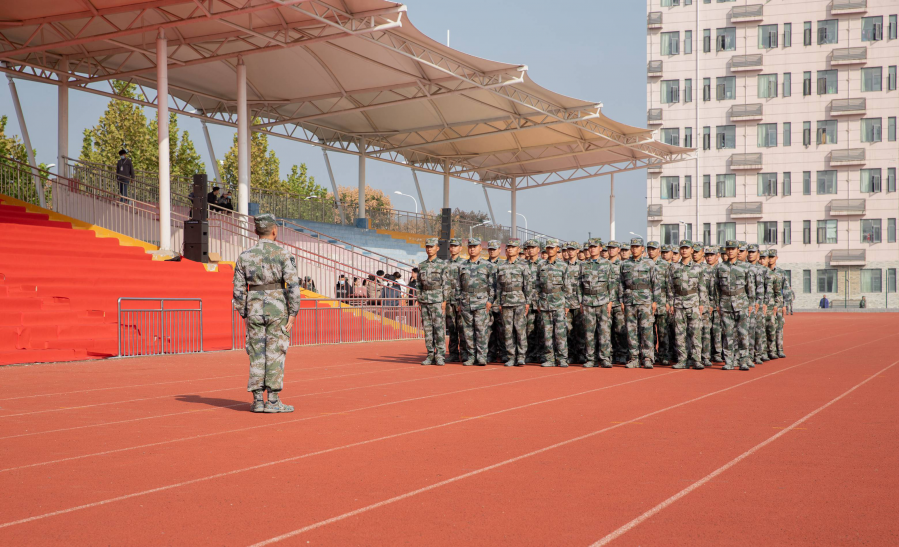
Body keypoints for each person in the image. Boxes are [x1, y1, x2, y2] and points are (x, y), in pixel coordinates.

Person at [232, 213, 301, 413]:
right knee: (275, 352)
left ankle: (257, 400)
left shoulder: (244, 256)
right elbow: (293, 285)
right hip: (277, 309)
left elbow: (237, 290)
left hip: (254, 309)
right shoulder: (283, 254)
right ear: (274, 230)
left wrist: (244, 311)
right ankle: (272, 400)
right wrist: (293, 312)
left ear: (256, 231)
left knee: (256, 353)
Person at [619, 237, 661, 369]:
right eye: (633, 246)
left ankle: (648, 357)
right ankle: (634, 358)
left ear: (642, 248)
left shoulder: (649, 264)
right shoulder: (625, 264)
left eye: (637, 246)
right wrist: (621, 301)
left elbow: (656, 283)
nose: (634, 249)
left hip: (645, 300)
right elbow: (621, 284)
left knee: (646, 330)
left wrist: (655, 301)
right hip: (629, 300)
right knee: (631, 330)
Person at [714, 240, 755, 370]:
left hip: (741, 302)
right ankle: (729, 361)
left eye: (733, 249)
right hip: (725, 302)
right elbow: (716, 287)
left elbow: (750, 287)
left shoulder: (745, 267)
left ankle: (743, 360)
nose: (730, 251)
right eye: (728, 249)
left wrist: (751, 303)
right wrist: (717, 304)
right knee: (727, 334)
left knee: (742, 333)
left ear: (738, 250)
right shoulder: (720, 267)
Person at [455, 238, 496, 366]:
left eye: (475, 246)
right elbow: (457, 286)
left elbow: (493, 286)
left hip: (481, 302)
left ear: (480, 248)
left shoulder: (488, 266)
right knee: (468, 331)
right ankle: (471, 356)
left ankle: (482, 356)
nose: (472, 248)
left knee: (481, 330)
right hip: (466, 302)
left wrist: (490, 301)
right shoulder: (462, 266)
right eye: (470, 246)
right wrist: (458, 302)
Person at [667, 240, 707, 369]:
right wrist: (671, 303)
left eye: (687, 248)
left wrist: (702, 303)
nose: (684, 250)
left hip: (694, 303)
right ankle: (682, 360)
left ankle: (696, 359)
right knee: (679, 333)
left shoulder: (698, 267)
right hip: (678, 302)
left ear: (691, 250)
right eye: (682, 248)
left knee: (695, 332)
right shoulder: (673, 267)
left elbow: (702, 287)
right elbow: (670, 287)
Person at [579, 238, 617, 368]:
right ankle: (591, 359)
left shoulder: (607, 264)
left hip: (603, 301)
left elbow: (612, 284)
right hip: (588, 301)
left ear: (600, 248)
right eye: (590, 247)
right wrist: (581, 302)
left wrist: (611, 301)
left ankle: (605, 358)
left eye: (595, 247)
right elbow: (579, 286)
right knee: (589, 332)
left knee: (604, 331)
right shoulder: (583, 265)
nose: (592, 249)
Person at [495, 238, 531, 366]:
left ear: (518, 250)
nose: (510, 249)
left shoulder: (523, 266)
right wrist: (499, 302)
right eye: (508, 247)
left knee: (520, 330)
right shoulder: (501, 267)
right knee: (508, 330)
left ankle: (521, 356)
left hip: (519, 301)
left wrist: (527, 302)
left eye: (513, 247)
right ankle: (511, 356)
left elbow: (528, 285)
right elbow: (498, 286)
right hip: (505, 302)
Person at [535, 239, 570, 367]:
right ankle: (549, 358)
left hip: (559, 302)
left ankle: (562, 358)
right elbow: (537, 285)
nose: (549, 250)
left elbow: (567, 287)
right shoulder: (541, 265)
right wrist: (538, 302)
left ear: (557, 249)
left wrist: (567, 304)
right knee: (547, 332)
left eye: (552, 248)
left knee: (560, 332)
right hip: (544, 302)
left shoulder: (563, 266)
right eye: (548, 248)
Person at [418, 238, 449, 366]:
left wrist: (444, 301)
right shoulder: (421, 265)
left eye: (432, 246)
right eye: (427, 247)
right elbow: (419, 284)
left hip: (437, 300)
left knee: (438, 329)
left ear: (437, 248)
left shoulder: (442, 264)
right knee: (428, 329)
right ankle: (430, 354)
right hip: (425, 299)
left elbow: (446, 284)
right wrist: (419, 299)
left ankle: (440, 355)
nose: (429, 249)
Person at [647, 241, 670, 366]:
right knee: (649, 331)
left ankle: (664, 355)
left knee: (663, 331)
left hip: (661, 301)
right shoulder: (644, 263)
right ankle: (652, 355)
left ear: (658, 250)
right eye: (649, 249)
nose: (651, 251)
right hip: (647, 302)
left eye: (653, 249)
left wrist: (668, 302)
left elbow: (669, 285)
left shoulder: (665, 265)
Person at [444, 238, 467, 362]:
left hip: (460, 301)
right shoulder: (444, 264)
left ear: (460, 248)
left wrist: (462, 300)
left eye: (455, 246)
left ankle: (464, 353)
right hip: (448, 300)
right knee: (451, 328)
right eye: (451, 246)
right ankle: (453, 353)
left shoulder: (464, 264)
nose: (453, 248)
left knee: (462, 328)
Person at [524, 240, 545, 363]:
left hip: (541, 303)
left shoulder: (543, 264)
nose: (530, 250)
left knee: (542, 330)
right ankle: (531, 354)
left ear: (538, 249)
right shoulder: (523, 264)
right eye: (528, 248)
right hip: (527, 302)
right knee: (529, 330)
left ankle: (542, 354)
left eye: (533, 247)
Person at [606, 241, 628, 364]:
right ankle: (610, 354)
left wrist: (623, 301)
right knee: (607, 330)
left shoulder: (623, 265)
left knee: (620, 330)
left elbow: (624, 284)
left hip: (619, 302)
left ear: (618, 249)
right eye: (609, 248)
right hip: (606, 302)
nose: (611, 250)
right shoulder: (604, 264)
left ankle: (623, 353)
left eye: (613, 248)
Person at [564, 241, 584, 364]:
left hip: (579, 303)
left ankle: (581, 354)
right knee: (568, 330)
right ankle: (570, 354)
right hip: (566, 304)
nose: (570, 251)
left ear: (577, 251)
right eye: (568, 249)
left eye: (572, 249)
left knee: (580, 330)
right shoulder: (562, 265)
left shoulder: (583, 265)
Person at [485, 240, 505, 363]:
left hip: (499, 302)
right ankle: (490, 354)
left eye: (494, 249)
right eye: (490, 249)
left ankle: (503, 353)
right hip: (486, 302)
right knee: (488, 330)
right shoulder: (483, 264)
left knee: (502, 330)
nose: (492, 251)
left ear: (499, 250)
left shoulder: (503, 265)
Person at [767, 249, 788, 358]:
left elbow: (786, 289)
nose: (770, 259)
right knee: (769, 327)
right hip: (768, 304)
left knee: (779, 327)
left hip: (779, 305)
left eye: (772, 257)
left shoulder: (781, 272)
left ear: (776, 258)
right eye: (768, 257)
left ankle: (779, 349)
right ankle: (771, 350)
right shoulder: (764, 271)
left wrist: (785, 304)